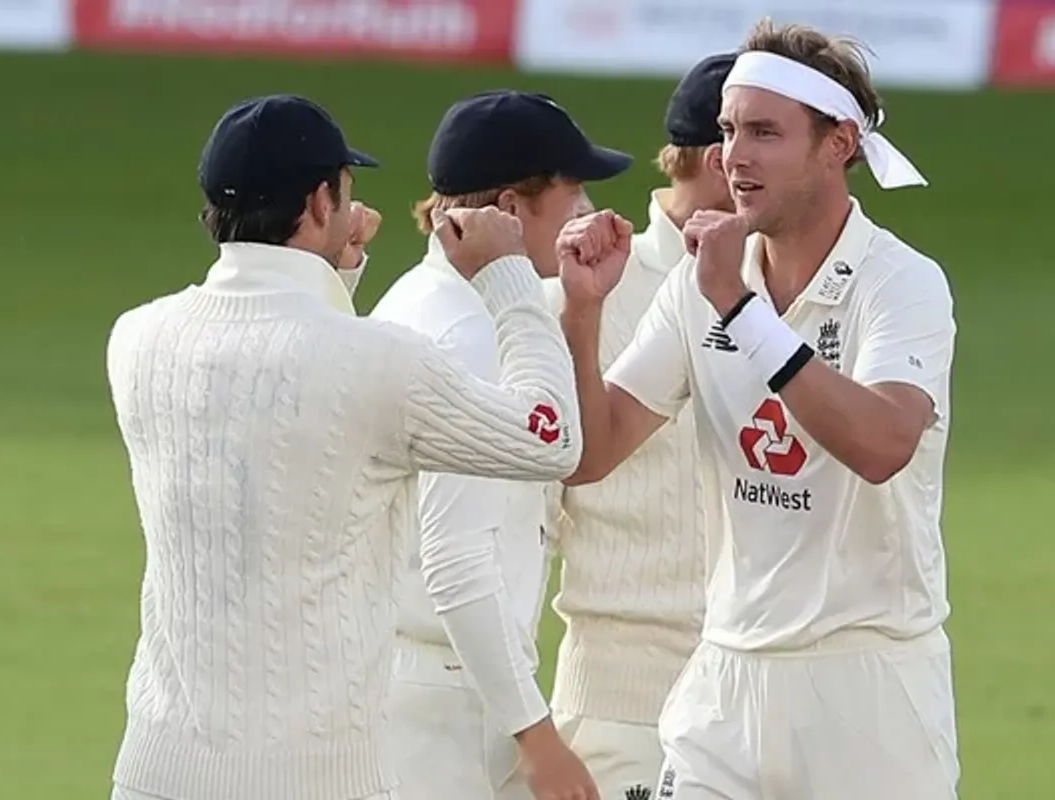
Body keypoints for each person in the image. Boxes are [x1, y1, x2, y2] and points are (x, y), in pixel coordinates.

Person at [104, 94, 586, 800]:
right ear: (321, 201)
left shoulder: (136, 339)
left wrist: (337, 280)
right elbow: (552, 439)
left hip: (156, 770)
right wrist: (509, 276)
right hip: (316, 779)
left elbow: (286, 406)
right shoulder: (377, 361)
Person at [557, 20, 958, 800]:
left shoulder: (900, 284)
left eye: (765, 133)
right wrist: (580, 315)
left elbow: (882, 444)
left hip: (869, 690)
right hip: (725, 682)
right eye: (729, 130)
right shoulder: (704, 280)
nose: (733, 157)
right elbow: (591, 452)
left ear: (838, 142)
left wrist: (741, 311)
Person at [369, 89, 630, 800]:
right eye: (571, 193)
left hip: (415, 685)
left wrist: (580, 307)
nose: (582, 214)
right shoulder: (470, 337)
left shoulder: (413, 300)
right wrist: (537, 737)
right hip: (451, 704)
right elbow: (457, 562)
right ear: (511, 211)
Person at [540, 54, 736, 800]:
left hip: (760, 694)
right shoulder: (584, 288)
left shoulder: (782, 286)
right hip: (626, 710)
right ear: (725, 160)